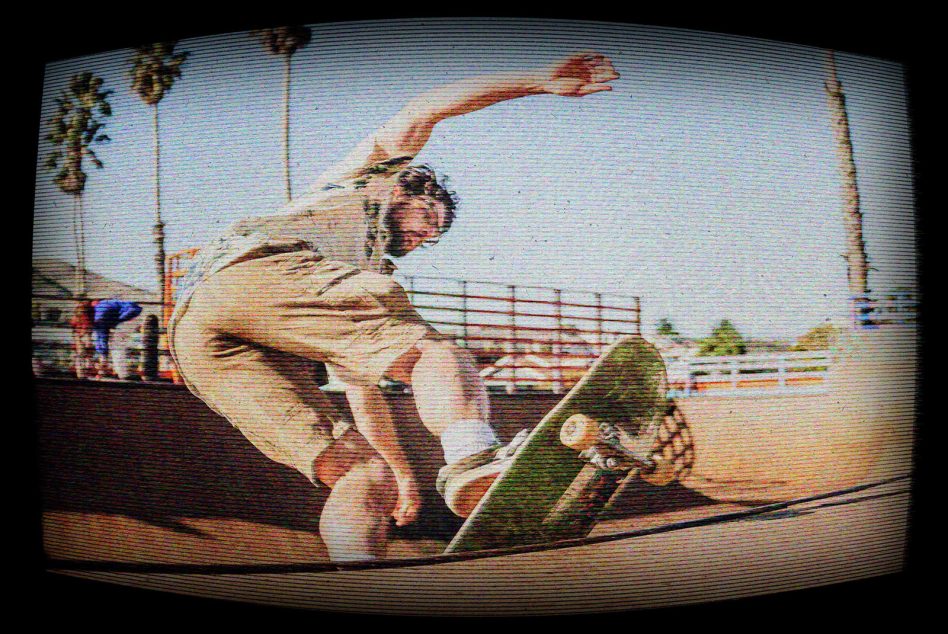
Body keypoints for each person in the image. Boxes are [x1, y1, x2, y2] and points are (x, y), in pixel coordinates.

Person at [169, 52, 619, 561]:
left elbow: (362, 391)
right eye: (429, 216)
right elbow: (425, 109)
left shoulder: (348, 289)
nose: (426, 234)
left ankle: (359, 580)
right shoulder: (371, 178)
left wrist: (402, 472)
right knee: (438, 355)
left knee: (364, 475)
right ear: (405, 189)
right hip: (251, 272)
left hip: (200, 339)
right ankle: (472, 454)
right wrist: (535, 79)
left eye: (433, 236)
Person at [91, 299, 143, 378]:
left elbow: (102, 336)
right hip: (132, 315)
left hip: (129, 317)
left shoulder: (98, 315)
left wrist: (103, 354)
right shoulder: (103, 305)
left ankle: (122, 374)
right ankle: (119, 372)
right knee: (116, 344)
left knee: (116, 346)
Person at [69, 300, 95, 379]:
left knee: (82, 354)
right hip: (83, 335)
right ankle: (83, 374)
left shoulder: (80, 313)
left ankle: (82, 374)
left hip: (81, 334)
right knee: (84, 354)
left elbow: (73, 324)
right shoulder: (84, 312)